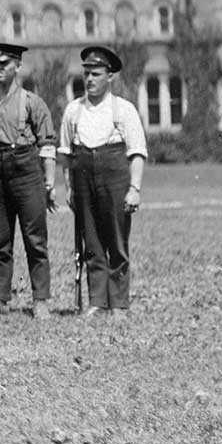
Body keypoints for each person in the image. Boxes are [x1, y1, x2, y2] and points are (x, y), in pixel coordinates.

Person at [58, 46, 145, 316]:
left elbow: (137, 151)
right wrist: (70, 188)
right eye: (86, 74)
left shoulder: (123, 109)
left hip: (115, 175)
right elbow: (66, 154)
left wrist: (134, 189)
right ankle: (97, 301)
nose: (90, 79)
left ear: (110, 77)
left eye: (96, 74)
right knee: (92, 241)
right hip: (83, 177)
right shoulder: (73, 110)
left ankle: (118, 302)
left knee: (117, 240)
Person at [0, 43, 58, 317]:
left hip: (26, 169)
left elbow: (47, 144)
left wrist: (49, 183)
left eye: (5, 63)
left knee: (35, 238)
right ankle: (0, 297)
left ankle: (41, 299)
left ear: (18, 66)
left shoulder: (32, 102)